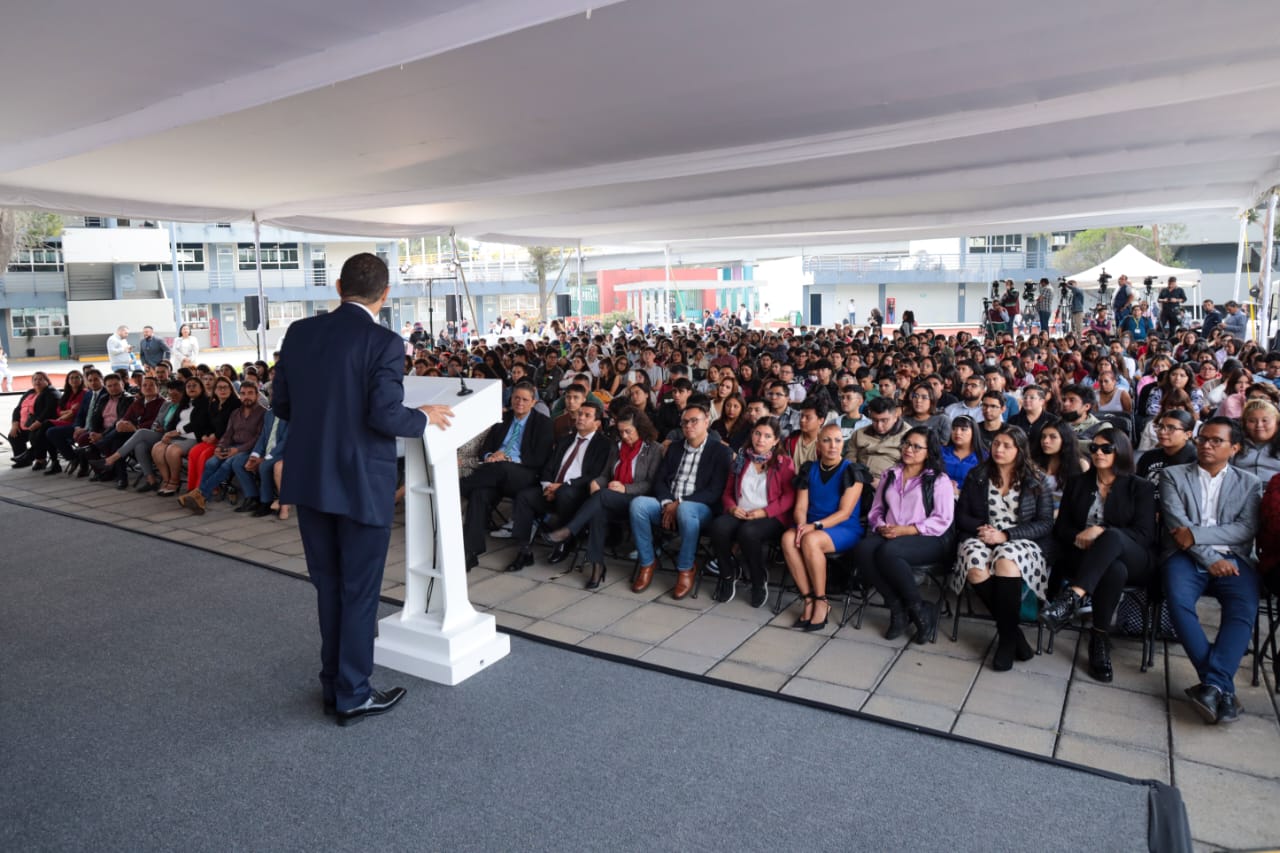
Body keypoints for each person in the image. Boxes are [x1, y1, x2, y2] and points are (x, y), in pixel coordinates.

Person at [270, 252, 453, 727]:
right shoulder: (385, 342)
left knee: (328, 586)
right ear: (386, 293)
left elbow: (282, 404)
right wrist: (424, 416)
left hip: (310, 478)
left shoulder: (299, 333)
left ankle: (334, 682)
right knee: (360, 591)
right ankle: (352, 693)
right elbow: (385, 416)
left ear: (337, 287)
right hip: (359, 484)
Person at [1160, 418, 1263, 725]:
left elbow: (1245, 529)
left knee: (1244, 607)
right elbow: (1178, 529)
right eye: (1203, 439)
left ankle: (1212, 686)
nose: (1206, 445)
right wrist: (1207, 557)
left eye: (1216, 441)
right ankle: (1222, 688)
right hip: (1184, 556)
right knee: (1177, 602)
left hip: (1234, 558)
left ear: (1235, 448)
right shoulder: (1173, 475)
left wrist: (1199, 536)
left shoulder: (1249, 483)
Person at [1043, 429, 1156, 682]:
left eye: (1107, 449)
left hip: (1134, 555)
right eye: (1094, 448)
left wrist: (1100, 531)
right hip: (1087, 556)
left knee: (1112, 538)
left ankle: (1072, 597)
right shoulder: (1078, 483)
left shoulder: (1141, 487)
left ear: (1122, 451)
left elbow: (1144, 534)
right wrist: (1081, 537)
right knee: (1113, 570)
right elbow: (1061, 528)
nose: (1098, 453)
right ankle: (1099, 638)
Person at [951, 425, 1055, 672]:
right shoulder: (977, 475)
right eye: (996, 443)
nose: (998, 449)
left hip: (1020, 539)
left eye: (1007, 445)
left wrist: (1006, 535)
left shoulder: (1036, 480)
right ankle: (1013, 635)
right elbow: (961, 514)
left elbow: (1045, 522)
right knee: (975, 566)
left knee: (1006, 561)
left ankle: (1006, 643)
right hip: (983, 534)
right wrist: (984, 530)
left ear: (1020, 450)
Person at [853, 427, 956, 643]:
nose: (909, 449)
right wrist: (881, 525)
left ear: (929, 452)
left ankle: (920, 612)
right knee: (863, 549)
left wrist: (907, 530)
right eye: (906, 444)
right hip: (892, 532)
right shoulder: (891, 474)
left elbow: (942, 520)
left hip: (928, 537)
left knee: (888, 552)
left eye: (916, 446)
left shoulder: (938, 480)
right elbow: (876, 510)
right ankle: (897, 609)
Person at [545, 407, 663, 590]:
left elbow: (650, 484)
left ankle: (569, 530)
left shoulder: (654, 449)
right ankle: (597, 565)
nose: (624, 435)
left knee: (601, 497)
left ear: (640, 428)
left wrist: (625, 488)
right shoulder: (617, 446)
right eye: (621, 431)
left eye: (628, 431)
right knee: (598, 509)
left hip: (637, 501)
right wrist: (596, 482)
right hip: (609, 497)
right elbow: (606, 475)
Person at [629, 400, 732, 599]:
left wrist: (680, 504)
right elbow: (660, 481)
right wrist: (668, 503)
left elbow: (714, 491)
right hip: (669, 504)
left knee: (686, 510)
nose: (689, 426)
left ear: (707, 421)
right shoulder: (674, 448)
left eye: (694, 421)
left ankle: (686, 568)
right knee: (638, 505)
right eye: (684, 422)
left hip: (701, 510)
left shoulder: (720, 451)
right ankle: (647, 562)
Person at [503, 404, 610, 572]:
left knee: (565, 493)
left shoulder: (603, 445)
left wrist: (562, 487)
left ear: (597, 423)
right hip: (552, 490)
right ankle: (524, 550)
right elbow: (548, 467)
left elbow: (593, 474)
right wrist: (547, 486)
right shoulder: (565, 439)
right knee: (524, 496)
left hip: (576, 494)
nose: (580, 417)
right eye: (580, 414)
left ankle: (565, 541)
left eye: (587, 415)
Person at [460, 382, 554, 569]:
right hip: (494, 472)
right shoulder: (503, 418)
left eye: (525, 399)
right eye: (516, 398)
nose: (519, 402)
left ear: (533, 402)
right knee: (480, 494)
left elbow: (539, 458)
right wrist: (489, 456)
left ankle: (457, 487)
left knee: (502, 468)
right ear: (511, 399)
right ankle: (470, 552)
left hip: (525, 473)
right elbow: (485, 448)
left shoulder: (543, 424)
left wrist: (507, 457)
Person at [708, 416, 796, 607]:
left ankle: (758, 578)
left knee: (748, 532)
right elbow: (728, 491)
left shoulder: (784, 462)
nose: (760, 439)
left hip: (770, 516)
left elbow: (789, 497)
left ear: (775, 441)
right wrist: (731, 507)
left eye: (767, 436)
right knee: (718, 527)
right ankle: (728, 573)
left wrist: (764, 512)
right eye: (757, 433)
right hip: (741, 511)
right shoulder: (741, 458)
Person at [1135, 409, 1197, 499]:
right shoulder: (1148, 456)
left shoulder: (1195, 460)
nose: (1162, 432)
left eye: (1171, 428)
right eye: (1160, 426)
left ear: (1188, 434)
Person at [7, 371, 59, 468]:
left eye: (40, 379)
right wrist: (15, 423)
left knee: (36, 435)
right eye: (35, 379)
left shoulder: (50, 392)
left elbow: (49, 410)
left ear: (47, 381)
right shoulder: (29, 392)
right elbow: (17, 409)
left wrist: (38, 422)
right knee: (14, 435)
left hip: (39, 424)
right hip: (25, 424)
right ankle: (23, 459)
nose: (37, 381)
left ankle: (40, 460)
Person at [941, 415, 984, 491]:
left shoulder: (983, 456)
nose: (957, 433)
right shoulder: (941, 452)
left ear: (974, 432)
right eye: (954, 429)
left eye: (963, 429)